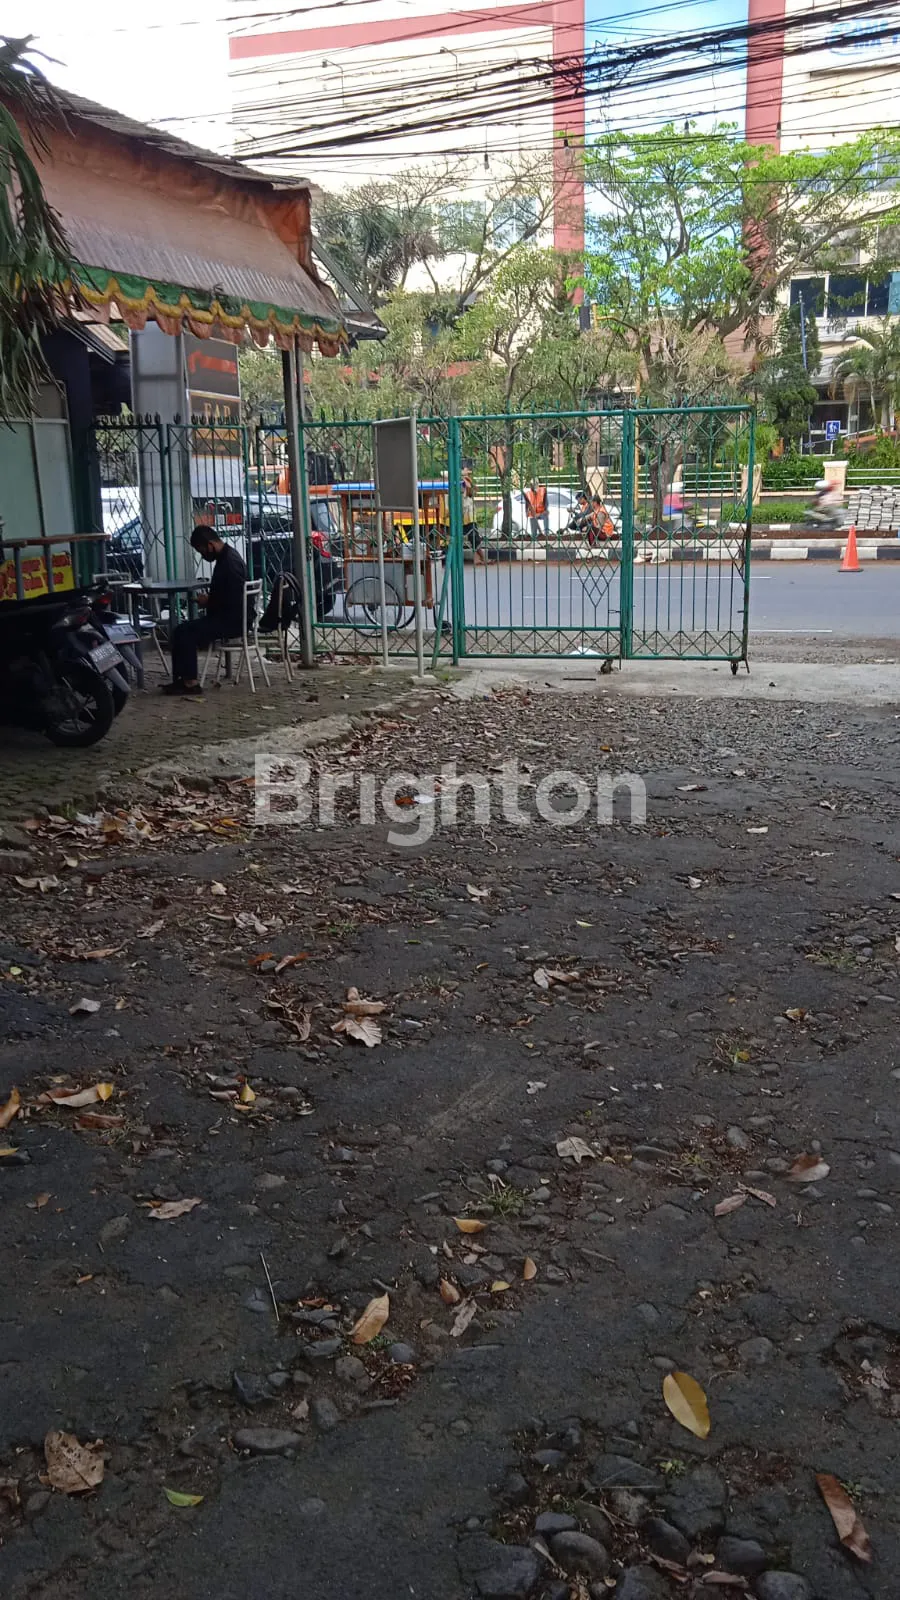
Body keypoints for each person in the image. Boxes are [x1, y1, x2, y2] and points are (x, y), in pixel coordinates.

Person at [161, 525, 247, 696]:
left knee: (184, 632)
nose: (202, 555)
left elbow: (232, 599)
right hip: (232, 617)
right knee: (182, 630)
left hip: (231, 620)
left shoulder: (228, 563)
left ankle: (190, 683)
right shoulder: (230, 556)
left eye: (201, 551)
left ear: (210, 545)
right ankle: (183, 680)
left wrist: (208, 601)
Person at [462, 469, 486, 566]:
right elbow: (469, 488)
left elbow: (475, 489)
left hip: (470, 517)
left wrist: (470, 480)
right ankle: (482, 558)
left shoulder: (469, 496)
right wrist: (465, 479)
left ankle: (478, 559)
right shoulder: (462, 484)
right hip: (466, 517)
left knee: (474, 539)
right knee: (474, 538)